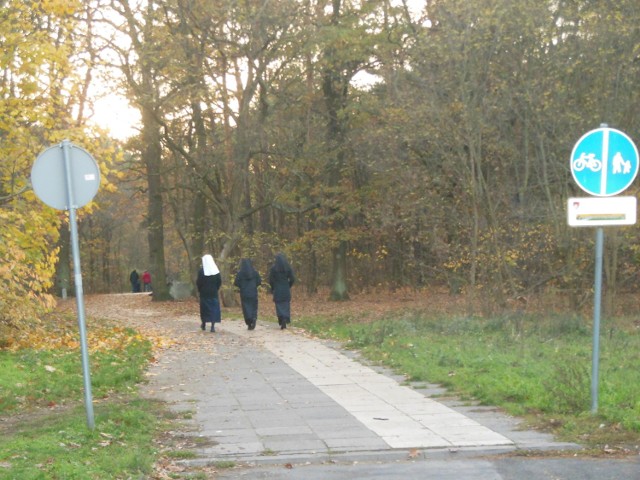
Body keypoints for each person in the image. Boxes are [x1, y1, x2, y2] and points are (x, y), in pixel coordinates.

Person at [268, 253, 295, 330]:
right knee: (286, 304)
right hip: (285, 288)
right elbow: (292, 278)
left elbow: (271, 280)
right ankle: (285, 318)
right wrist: (289, 285)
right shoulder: (288, 267)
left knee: (279, 305)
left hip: (277, 288)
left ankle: (281, 318)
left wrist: (273, 288)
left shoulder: (273, 268)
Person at [234, 258, 262, 330]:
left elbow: (236, 283)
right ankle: (254, 317)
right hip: (253, 291)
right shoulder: (254, 273)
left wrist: (241, 286)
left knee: (246, 307)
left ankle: (249, 322)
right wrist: (254, 285)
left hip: (244, 292)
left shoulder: (240, 273)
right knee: (254, 306)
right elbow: (259, 281)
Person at [197, 254, 222, 332]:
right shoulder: (216, 271)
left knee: (204, 309)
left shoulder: (201, 271)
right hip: (213, 293)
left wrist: (199, 289)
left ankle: (204, 323)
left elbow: (199, 282)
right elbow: (219, 282)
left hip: (204, 293)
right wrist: (216, 288)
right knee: (213, 309)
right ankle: (212, 326)